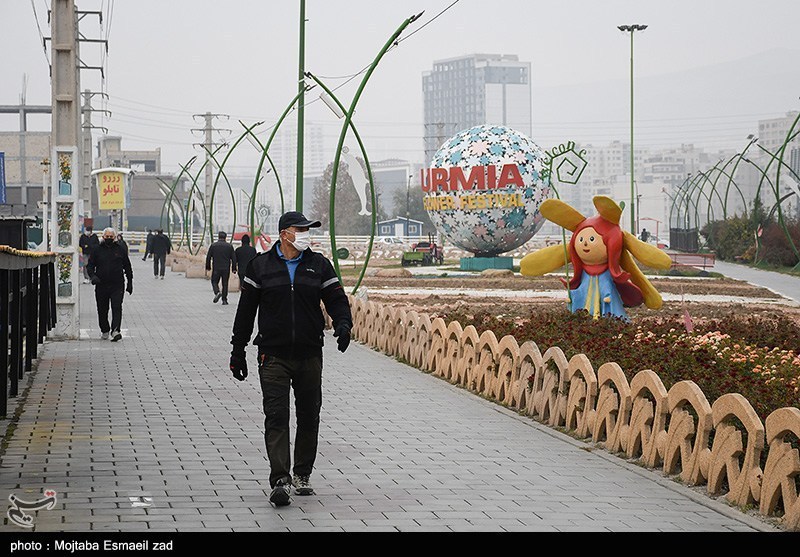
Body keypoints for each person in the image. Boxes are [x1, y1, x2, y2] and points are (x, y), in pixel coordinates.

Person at [229, 211, 352, 507]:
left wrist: (344, 323)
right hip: (273, 355)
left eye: (308, 230)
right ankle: (280, 480)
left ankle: (302, 474)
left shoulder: (319, 265)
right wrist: (238, 350)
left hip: (310, 354)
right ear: (285, 233)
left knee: (309, 415)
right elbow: (246, 311)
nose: (306, 234)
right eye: (302, 229)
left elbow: (336, 298)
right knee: (276, 416)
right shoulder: (260, 266)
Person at [86, 227, 133, 342]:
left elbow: (127, 266)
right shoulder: (97, 249)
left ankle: (115, 330)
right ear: (103, 237)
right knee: (102, 309)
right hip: (101, 284)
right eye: (107, 237)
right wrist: (93, 277)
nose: (109, 239)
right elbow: (90, 266)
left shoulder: (120, 249)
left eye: (111, 237)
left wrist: (130, 283)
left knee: (117, 307)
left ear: (115, 237)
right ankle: (105, 330)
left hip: (117, 284)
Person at [205, 231, 236, 305]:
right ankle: (224, 300)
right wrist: (234, 269)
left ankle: (217, 292)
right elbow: (234, 258)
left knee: (214, 281)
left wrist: (208, 267)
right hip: (226, 268)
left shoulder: (213, 246)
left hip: (216, 267)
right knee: (225, 283)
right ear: (225, 237)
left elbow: (208, 257)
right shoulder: (229, 246)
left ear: (218, 237)